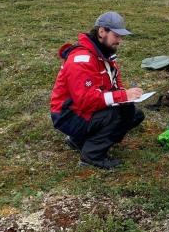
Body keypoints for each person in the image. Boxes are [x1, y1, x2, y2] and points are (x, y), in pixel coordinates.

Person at [50, 11, 145, 169]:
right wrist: (122, 96)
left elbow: (114, 83)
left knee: (133, 114)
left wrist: (127, 96)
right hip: (69, 114)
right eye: (116, 36)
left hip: (82, 111)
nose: (119, 41)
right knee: (118, 115)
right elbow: (86, 100)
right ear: (102, 32)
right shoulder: (82, 59)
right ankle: (92, 156)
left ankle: (78, 140)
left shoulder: (103, 55)